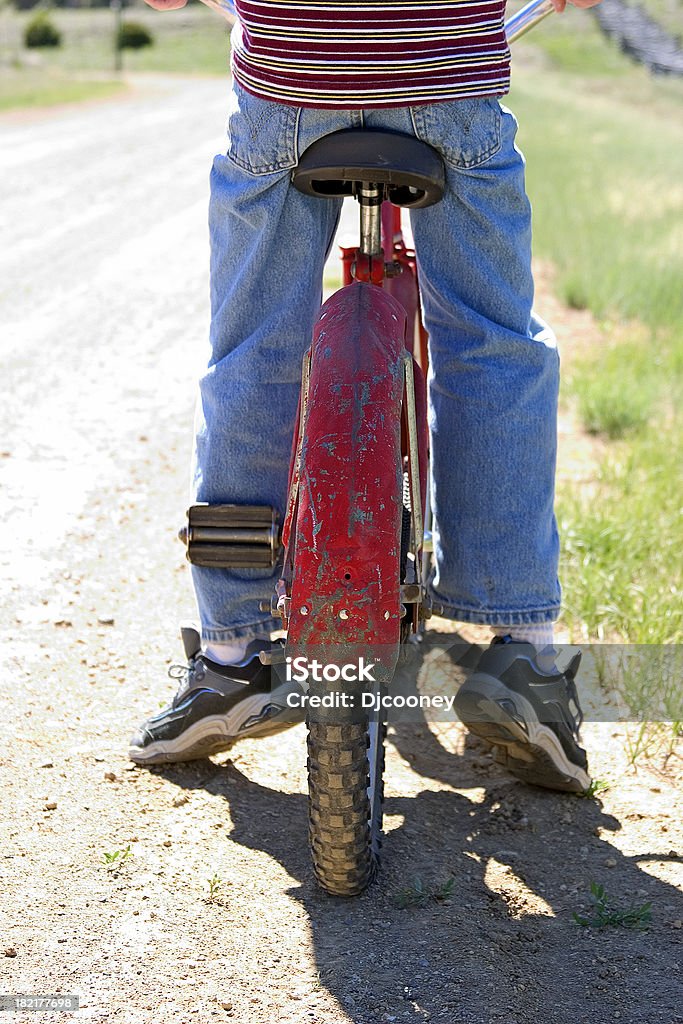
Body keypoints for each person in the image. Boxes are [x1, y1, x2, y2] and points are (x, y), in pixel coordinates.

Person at [129, 0, 601, 793]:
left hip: (290, 83)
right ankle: (522, 648)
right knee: (494, 349)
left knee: (253, 351)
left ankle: (230, 658)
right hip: (446, 79)